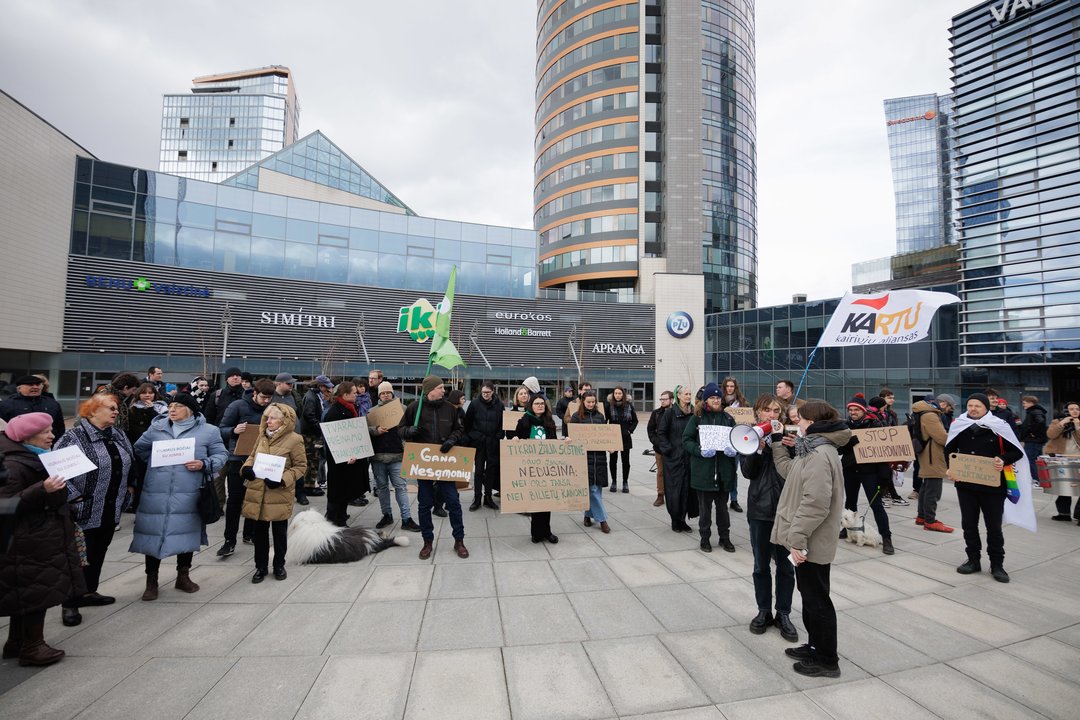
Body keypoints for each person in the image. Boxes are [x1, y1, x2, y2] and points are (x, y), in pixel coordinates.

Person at [0, 413, 85, 666]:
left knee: (26, 593)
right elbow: (5, 505)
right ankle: (33, 647)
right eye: (46, 432)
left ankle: (17, 641)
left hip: (38, 536)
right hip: (26, 540)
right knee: (36, 593)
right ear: (27, 435)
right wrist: (42, 489)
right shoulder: (13, 465)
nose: (52, 436)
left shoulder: (34, 456)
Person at [772, 399, 848, 678]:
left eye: (801, 419)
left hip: (811, 542)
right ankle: (815, 646)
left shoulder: (818, 454)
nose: (797, 423)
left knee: (818, 601)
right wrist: (778, 443)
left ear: (813, 423)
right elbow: (790, 472)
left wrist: (797, 538)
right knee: (810, 596)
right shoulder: (812, 450)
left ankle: (827, 660)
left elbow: (816, 502)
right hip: (808, 540)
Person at [131, 394, 227, 600]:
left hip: (190, 491)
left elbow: (221, 455)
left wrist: (204, 464)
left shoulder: (209, 431)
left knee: (186, 534)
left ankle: (183, 576)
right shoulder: (156, 428)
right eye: (170, 406)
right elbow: (139, 448)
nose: (172, 410)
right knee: (153, 534)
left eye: (178, 406)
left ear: (191, 410)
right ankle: (151, 581)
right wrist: (158, 463)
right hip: (156, 491)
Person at [52, 393, 135, 627]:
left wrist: (130, 489)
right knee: (78, 557)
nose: (116, 411)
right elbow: (54, 471)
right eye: (110, 408)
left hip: (110, 507)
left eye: (116, 408)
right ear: (92, 411)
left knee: (98, 551)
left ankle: (89, 591)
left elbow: (131, 462)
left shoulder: (117, 434)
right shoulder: (73, 437)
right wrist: (74, 497)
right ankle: (70, 603)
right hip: (82, 509)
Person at [945, 393, 1025, 582]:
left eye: (977, 406)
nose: (973, 409)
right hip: (965, 484)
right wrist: (950, 467)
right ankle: (973, 560)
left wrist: (1003, 460)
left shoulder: (999, 426)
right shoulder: (959, 425)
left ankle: (997, 564)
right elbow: (948, 449)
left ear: (986, 408)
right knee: (969, 524)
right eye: (970, 405)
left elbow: (1016, 451)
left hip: (992, 486)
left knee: (994, 527)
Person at [740, 394, 798, 643]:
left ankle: (783, 613)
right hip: (760, 510)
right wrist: (757, 450)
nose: (771, 415)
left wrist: (793, 448)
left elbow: (799, 472)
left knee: (786, 567)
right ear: (758, 412)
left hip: (786, 512)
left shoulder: (789, 437)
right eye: (767, 410)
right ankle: (763, 611)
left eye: (776, 411)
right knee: (761, 565)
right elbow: (747, 472)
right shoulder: (750, 436)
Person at [400, 375, 468, 559]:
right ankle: (427, 542)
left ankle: (459, 540)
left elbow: (459, 429)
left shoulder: (449, 409)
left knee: (453, 503)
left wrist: (453, 439)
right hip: (424, 465)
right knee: (424, 504)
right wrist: (409, 431)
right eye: (440, 387)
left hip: (445, 464)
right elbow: (401, 429)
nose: (443, 390)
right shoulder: (415, 408)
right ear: (430, 390)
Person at [240, 403, 307, 582]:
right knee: (259, 534)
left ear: (284, 420)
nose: (268, 421)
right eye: (267, 417)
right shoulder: (261, 436)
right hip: (258, 491)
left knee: (279, 533)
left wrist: (283, 479)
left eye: (272, 418)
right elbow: (252, 456)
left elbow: (301, 467)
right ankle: (260, 567)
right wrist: (246, 467)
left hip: (279, 492)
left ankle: (279, 565)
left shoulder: (295, 439)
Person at [216, 379, 274, 555]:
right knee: (235, 500)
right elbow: (220, 429)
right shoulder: (237, 406)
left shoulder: (272, 409)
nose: (266, 401)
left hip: (262, 459)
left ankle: (250, 533)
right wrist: (234, 430)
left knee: (256, 499)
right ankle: (229, 540)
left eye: (270, 398)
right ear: (254, 393)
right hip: (238, 459)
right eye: (264, 397)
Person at [683, 383, 737, 553]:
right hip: (704, 473)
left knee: (722, 509)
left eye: (718, 398)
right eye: (712, 397)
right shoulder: (697, 418)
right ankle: (705, 538)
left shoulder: (728, 419)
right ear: (706, 400)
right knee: (705, 510)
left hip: (723, 473)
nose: (716, 400)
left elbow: (736, 439)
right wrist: (699, 450)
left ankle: (724, 538)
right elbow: (686, 440)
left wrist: (733, 450)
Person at [839, 394, 894, 555]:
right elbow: (838, 449)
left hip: (870, 471)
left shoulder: (874, 424)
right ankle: (848, 530)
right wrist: (848, 444)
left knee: (876, 505)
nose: (853, 412)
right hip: (850, 470)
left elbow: (884, 450)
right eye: (851, 409)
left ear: (863, 411)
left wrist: (885, 474)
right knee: (850, 503)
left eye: (856, 409)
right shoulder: (844, 426)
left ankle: (886, 537)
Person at [369, 381, 420, 532]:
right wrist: (376, 430)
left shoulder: (402, 409)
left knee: (401, 488)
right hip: (378, 457)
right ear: (379, 395)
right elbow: (366, 429)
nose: (385, 395)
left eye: (388, 392)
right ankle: (387, 515)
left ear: (392, 393)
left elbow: (409, 428)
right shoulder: (371, 412)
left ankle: (406, 518)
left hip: (397, 455)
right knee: (382, 488)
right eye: (382, 393)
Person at [515, 394, 560, 544]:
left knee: (546, 500)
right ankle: (536, 533)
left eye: (542, 404)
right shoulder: (524, 421)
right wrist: (515, 438)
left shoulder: (549, 421)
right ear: (531, 406)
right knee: (535, 500)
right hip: (531, 465)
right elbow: (516, 437)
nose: (540, 406)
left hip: (546, 466)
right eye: (537, 403)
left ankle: (547, 531)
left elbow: (554, 441)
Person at [322, 382, 366, 527]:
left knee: (345, 490)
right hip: (339, 462)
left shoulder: (349, 408)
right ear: (345, 394)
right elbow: (334, 439)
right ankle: (334, 520)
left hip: (348, 459)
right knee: (338, 491)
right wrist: (346, 455)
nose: (356, 394)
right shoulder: (335, 412)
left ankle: (340, 517)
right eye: (354, 392)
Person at [910, 396, 953, 533]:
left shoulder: (922, 412)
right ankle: (930, 520)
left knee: (926, 486)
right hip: (932, 455)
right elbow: (941, 437)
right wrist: (954, 439)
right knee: (933, 489)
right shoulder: (930, 415)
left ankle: (922, 517)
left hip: (927, 454)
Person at [657, 385, 696, 532]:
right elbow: (661, 433)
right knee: (674, 490)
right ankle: (675, 519)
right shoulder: (670, 413)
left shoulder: (693, 412)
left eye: (690, 394)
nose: (688, 396)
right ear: (678, 396)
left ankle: (683, 519)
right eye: (686, 394)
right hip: (674, 458)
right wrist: (668, 451)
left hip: (689, 457)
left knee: (687, 490)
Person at [124, 383, 168, 513]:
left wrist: (151, 411)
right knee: (140, 479)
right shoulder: (132, 408)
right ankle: (137, 507)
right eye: (144, 393)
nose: (147, 395)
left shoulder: (162, 407)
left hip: (158, 449)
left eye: (150, 393)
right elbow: (131, 429)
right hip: (139, 449)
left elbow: (162, 425)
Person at [571, 390, 610, 533]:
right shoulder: (576, 417)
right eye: (588, 402)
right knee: (592, 489)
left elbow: (606, 436)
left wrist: (610, 445)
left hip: (599, 458)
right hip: (584, 459)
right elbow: (572, 437)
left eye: (593, 402)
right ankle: (602, 520)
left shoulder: (600, 417)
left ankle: (587, 515)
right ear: (583, 402)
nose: (591, 404)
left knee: (596, 489)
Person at [464, 381, 504, 511]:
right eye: (483, 392)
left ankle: (488, 498)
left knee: (491, 471)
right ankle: (477, 498)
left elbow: (502, 424)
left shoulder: (499, 405)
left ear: (493, 391)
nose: (485, 394)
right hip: (479, 443)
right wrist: (476, 437)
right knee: (479, 472)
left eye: (488, 392)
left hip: (493, 443)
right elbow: (468, 424)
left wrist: (499, 435)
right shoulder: (474, 404)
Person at [0, 375, 66, 442]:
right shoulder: (6, 405)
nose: (35, 387)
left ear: (42, 386)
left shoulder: (52, 403)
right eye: (30, 384)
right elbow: (2, 429)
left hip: (48, 446)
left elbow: (60, 427)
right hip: (18, 446)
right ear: (19, 388)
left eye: (38, 384)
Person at [1045, 401, 1080, 522]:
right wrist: (1062, 424)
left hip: (1078, 458)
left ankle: (1079, 515)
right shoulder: (1057, 421)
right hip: (1061, 459)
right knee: (1064, 487)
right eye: (1071, 409)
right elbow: (1050, 434)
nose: (1075, 411)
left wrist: (1078, 427)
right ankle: (1063, 513)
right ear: (1066, 411)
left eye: (1077, 409)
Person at [301, 375, 334, 498]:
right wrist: (321, 426)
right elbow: (309, 415)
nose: (329, 390)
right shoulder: (311, 397)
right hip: (309, 434)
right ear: (321, 386)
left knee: (314, 460)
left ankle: (310, 485)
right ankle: (307, 486)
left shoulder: (315, 396)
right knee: (311, 460)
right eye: (327, 387)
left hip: (313, 432)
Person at [720, 377, 747, 512]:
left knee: (733, 472)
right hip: (722, 441)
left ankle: (734, 499)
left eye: (732, 386)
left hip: (736, 441)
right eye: (727, 386)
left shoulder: (742, 403)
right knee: (722, 471)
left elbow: (747, 421)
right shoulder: (719, 402)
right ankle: (722, 498)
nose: (730, 388)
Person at [606, 385, 638, 493]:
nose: (618, 395)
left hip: (625, 438)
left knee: (625, 462)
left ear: (623, 395)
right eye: (616, 393)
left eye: (620, 393)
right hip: (613, 438)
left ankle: (625, 482)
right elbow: (605, 421)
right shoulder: (609, 406)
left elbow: (635, 421)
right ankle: (614, 482)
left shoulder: (629, 406)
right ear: (613, 395)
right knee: (613, 461)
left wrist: (630, 430)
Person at [647, 391, 673, 507]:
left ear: (671, 400)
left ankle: (673, 495)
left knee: (674, 473)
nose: (662, 401)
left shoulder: (676, 412)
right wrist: (657, 442)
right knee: (661, 472)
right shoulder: (656, 413)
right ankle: (660, 495)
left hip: (674, 449)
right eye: (661, 399)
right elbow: (650, 430)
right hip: (660, 449)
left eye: (665, 399)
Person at [1019, 395, 1048, 482]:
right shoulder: (1034, 411)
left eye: (1024, 403)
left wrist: (1033, 433)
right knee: (1035, 459)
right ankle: (1039, 479)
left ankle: (1037, 479)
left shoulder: (1035, 412)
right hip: (1034, 440)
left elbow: (1040, 422)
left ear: (1030, 403)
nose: (1023, 405)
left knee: (1031, 459)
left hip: (1033, 441)